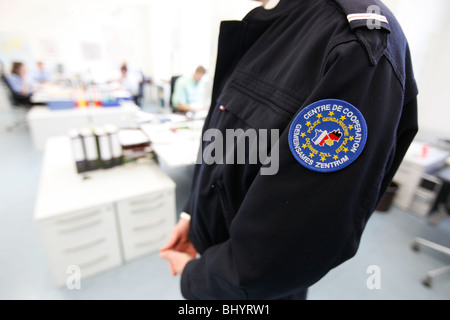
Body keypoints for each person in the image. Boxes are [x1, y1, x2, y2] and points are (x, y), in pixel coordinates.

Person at [160, 0, 418, 300]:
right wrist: (193, 214)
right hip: (214, 262)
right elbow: (224, 139)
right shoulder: (276, 25)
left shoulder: (353, 45)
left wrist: (195, 277)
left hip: (246, 291)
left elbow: (283, 253)